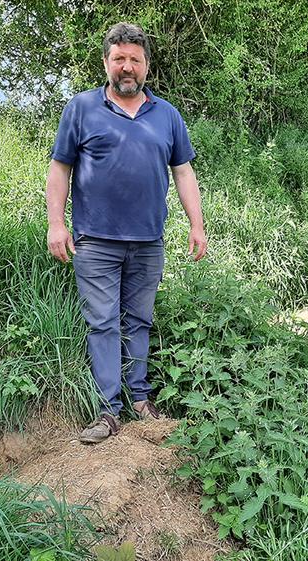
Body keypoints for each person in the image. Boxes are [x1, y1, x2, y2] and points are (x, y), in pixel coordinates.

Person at [45, 22, 207, 444]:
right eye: (119, 58)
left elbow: (184, 171)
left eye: (135, 59)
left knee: (139, 320)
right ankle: (107, 410)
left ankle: (140, 398)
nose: (127, 66)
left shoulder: (167, 115)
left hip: (149, 241)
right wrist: (56, 224)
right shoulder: (81, 108)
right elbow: (60, 168)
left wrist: (197, 224)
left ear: (147, 66)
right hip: (95, 241)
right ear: (106, 63)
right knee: (102, 324)